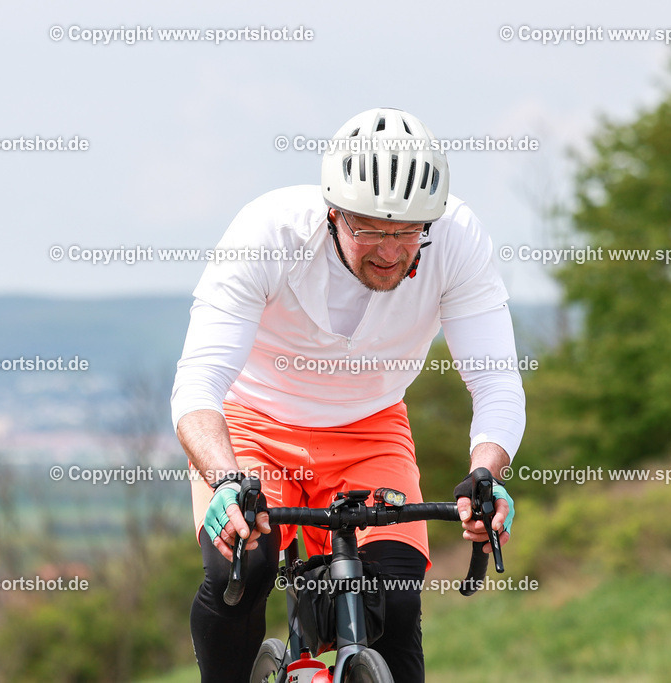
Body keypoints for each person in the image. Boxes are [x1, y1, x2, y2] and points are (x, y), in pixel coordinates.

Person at [171, 107, 525, 682]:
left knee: (397, 600)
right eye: (369, 230)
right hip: (254, 425)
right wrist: (223, 477)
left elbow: (497, 381)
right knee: (242, 572)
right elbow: (197, 383)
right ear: (333, 212)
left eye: (408, 233)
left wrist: (485, 473)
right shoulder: (268, 232)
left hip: (370, 427)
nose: (390, 251)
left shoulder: (458, 239)